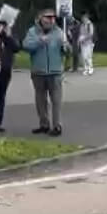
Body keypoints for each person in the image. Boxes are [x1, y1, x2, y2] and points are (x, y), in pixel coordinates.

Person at [23, 9, 69, 137]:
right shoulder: (33, 31)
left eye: (53, 18)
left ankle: (57, 126)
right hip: (39, 71)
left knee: (56, 101)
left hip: (55, 72)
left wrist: (66, 48)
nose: (51, 20)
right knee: (40, 100)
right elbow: (26, 46)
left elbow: (67, 49)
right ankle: (44, 124)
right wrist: (39, 42)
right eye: (48, 17)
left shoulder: (59, 32)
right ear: (40, 18)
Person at [0, 17, 20, 132]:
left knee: (2, 96)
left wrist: (7, 35)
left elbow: (16, 47)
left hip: (6, 69)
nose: (3, 26)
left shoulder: (10, 35)